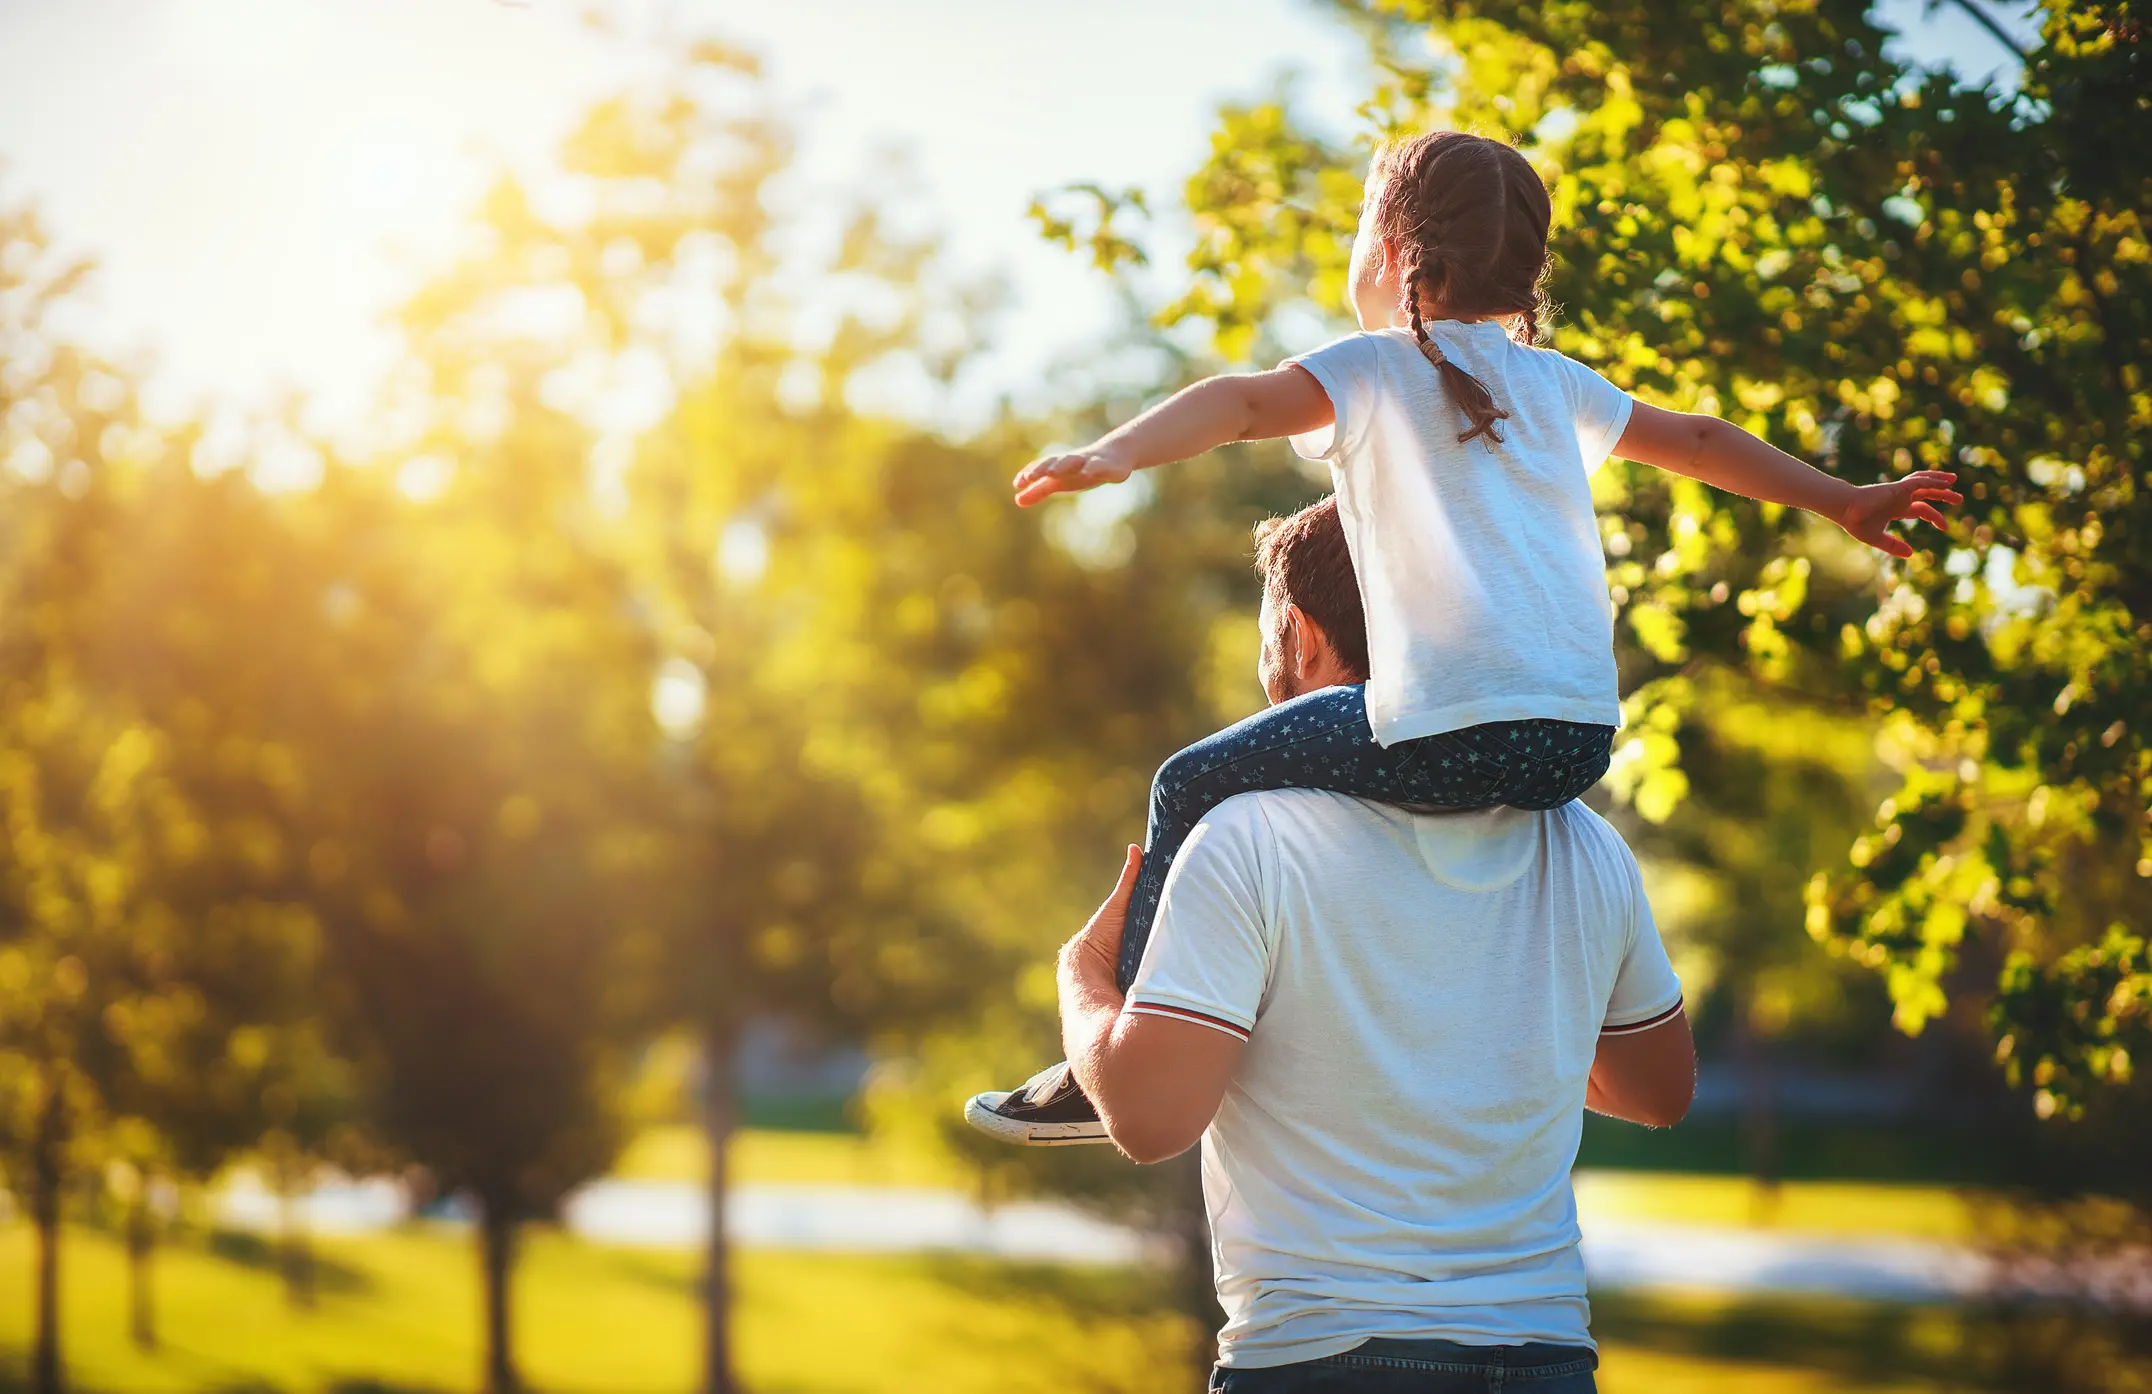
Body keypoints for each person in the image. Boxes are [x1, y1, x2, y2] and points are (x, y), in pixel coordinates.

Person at [966, 129, 1956, 1145]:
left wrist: (1114, 453)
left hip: (1444, 729)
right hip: (1573, 745)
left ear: (1392, 254)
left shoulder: (1374, 370)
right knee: (1344, 759)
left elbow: (1242, 402)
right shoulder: (1557, 382)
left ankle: (1120, 1040)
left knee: (1186, 781)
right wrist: (1842, 499)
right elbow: (1701, 439)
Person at [1056, 496, 1695, 1391]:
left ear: (1300, 632)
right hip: (1546, 1358)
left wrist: (1083, 983)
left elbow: (1150, 1119)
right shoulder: (1585, 842)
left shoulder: (1246, 836)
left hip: (1329, 1357)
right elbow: (1657, 1092)